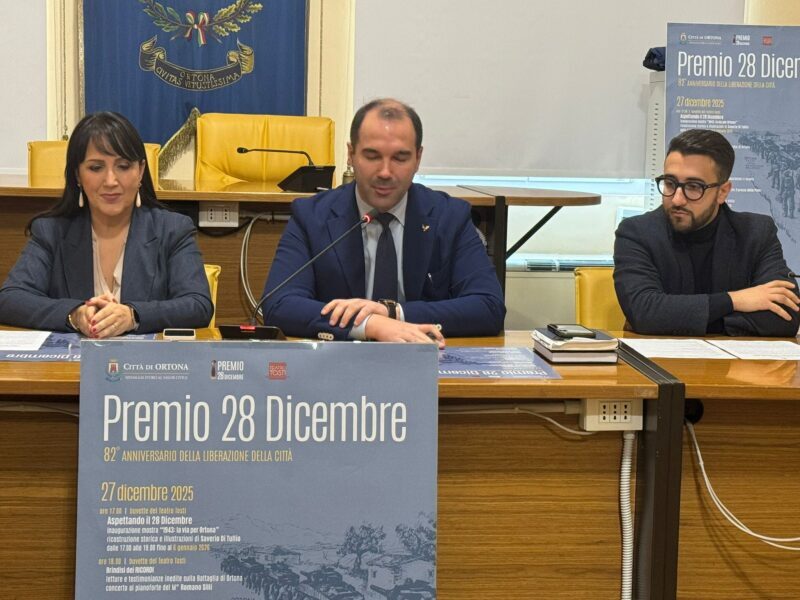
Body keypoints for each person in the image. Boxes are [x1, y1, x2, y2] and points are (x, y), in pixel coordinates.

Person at [261, 98, 505, 345]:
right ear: (351, 154)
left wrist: (394, 313)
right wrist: (369, 324)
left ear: (418, 158)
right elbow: (279, 304)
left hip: (423, 358)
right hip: (340, 361)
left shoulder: (449, 216)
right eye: (372, 156)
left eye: (400, 158)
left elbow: (489, 306)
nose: (385, 172)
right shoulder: (312, 216)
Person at [0, 111, 213, 336]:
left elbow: (198, 305)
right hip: (75, 358)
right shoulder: (51, 231)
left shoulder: (172, 229)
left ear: (140, 171)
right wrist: (75, 314)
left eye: (123, 166)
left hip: (145, 359)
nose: (111, 181)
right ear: (78, 175)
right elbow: (9, 299)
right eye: (96, 168)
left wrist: (133, 316)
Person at [614, 128, 800, 336]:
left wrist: (689, 320)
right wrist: (734, 300)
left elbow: (785, 316)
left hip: (736, 358)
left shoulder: (756, 233)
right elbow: (644, 312)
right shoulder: (637, 233)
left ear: (722, 192)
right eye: (670, 183)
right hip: (655, 357)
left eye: (694, 187)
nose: (677, 199)